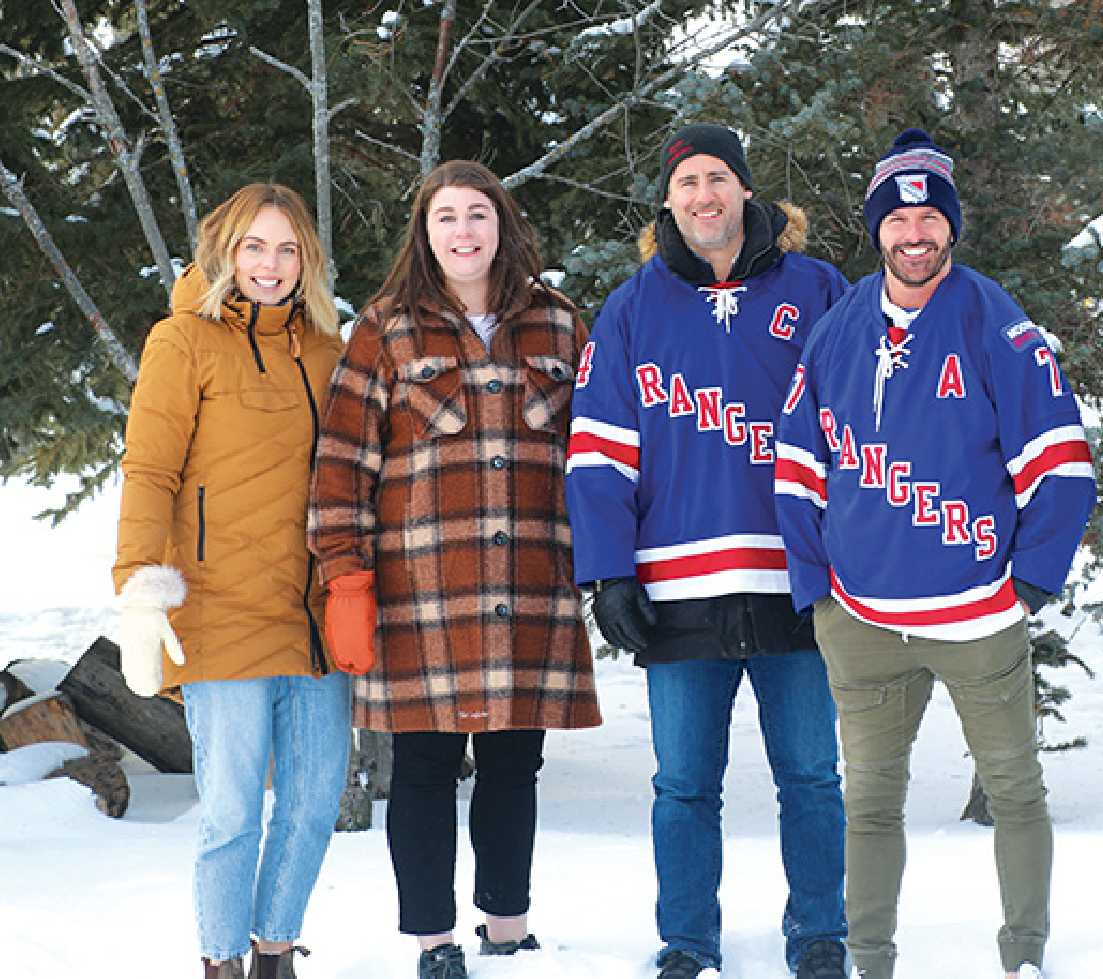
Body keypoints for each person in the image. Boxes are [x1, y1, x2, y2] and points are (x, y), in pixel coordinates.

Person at [774, 128, 1096, 979]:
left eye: (929, 218)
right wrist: (818, 587)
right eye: (898, 218)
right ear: (876, 228)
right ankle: (869, 960)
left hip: (977, 613)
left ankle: (1023, 956)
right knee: (871, 804)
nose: (914, 234)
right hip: (864, 618)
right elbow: (797, 465)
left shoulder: (996, 319)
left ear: (949, 227)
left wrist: (1026, 578)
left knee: (1016, 788)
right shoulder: (839, 327)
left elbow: (1061, 460)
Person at [565, 124, 850, 979]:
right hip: (678, 588)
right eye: (687, 181)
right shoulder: (631, 308)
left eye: (718, 178)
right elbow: (599, 451)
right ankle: (689, 940)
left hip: (796, 580)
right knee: (683, 785)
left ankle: (821, 932)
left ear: (748, 191)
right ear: (667, 201)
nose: (704, 196)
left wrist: (857, 557)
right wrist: (609, 572)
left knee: (812, 777)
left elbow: (860, 430)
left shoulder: (820, 288)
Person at [307, 160, 602, 979]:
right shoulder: (386, 329)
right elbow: (340, 464)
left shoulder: (561, 323)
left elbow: (602, 455)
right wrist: (346, 576)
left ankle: (507, 927)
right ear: (424, 232)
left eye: (478, 214)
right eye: (447, 218)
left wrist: (607, 564)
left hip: (532, 588)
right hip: (421, 594)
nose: (464, 231)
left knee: (515, 761)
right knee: (427, 768)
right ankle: (433, 940)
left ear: (502, 225)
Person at [112, 183, 351, 979]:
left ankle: (273, 950)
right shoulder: (183, 341)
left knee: (315, 804)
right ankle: (221, 962)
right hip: (219, 613)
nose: (271, 265)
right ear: (225, 251)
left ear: (306, 259)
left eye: (287, 249)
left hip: (310, 616)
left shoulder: (326, 346)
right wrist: (141, 591)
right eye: (255, 246)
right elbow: (148, 470)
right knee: (231, 813)